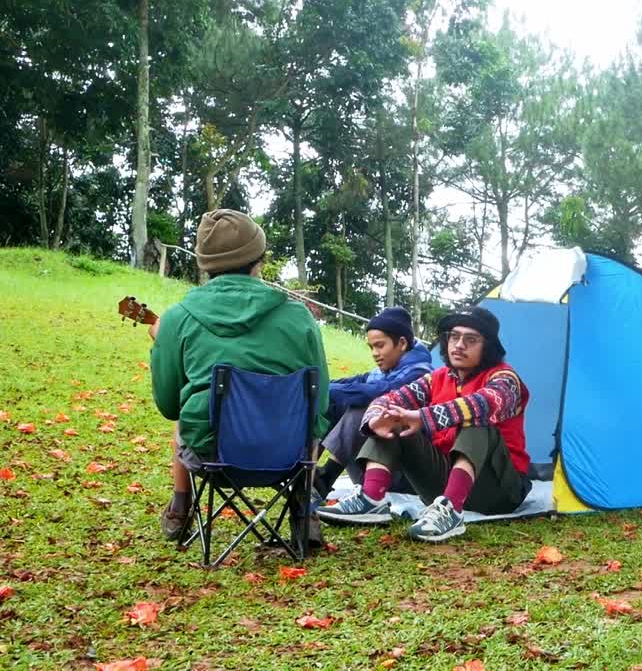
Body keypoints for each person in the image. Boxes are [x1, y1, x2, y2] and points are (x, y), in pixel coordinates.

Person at [149, 209, 331, 542]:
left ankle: (180, 506)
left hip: (211, 458)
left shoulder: (177, 318)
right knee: (308, 417)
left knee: (189, 411)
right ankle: (304, 510)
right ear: (259, 261)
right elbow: (320, 403)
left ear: (204, 264)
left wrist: (162, 344)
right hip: (290, 458)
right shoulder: (300, 318)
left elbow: (168, 405)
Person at [316, 306, 530, 542]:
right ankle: (372, 498)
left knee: (476, 419)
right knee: (394, 416)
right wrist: (376, 419)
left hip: (499, 489)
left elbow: (485, 403)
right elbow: (388, 399)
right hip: (441, 481)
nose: (459, 345)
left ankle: (451, 510)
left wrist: (423, 417)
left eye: (471, 340)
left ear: (487, 346)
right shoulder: (436, 378)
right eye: (454, 337)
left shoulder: (505, 378)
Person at [311, 306, 433, 502]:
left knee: (363, 405)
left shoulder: (420, 374)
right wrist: (316, 386)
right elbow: (349, 383)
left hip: (403, 474)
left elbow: (380, 391)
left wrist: (324, 390)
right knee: (333, 401)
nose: (375, 353)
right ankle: (307, 472)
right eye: (371, 347)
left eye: (380, 346)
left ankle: (326, 476)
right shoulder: (381, 373)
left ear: (402, 343)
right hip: (367, 466)